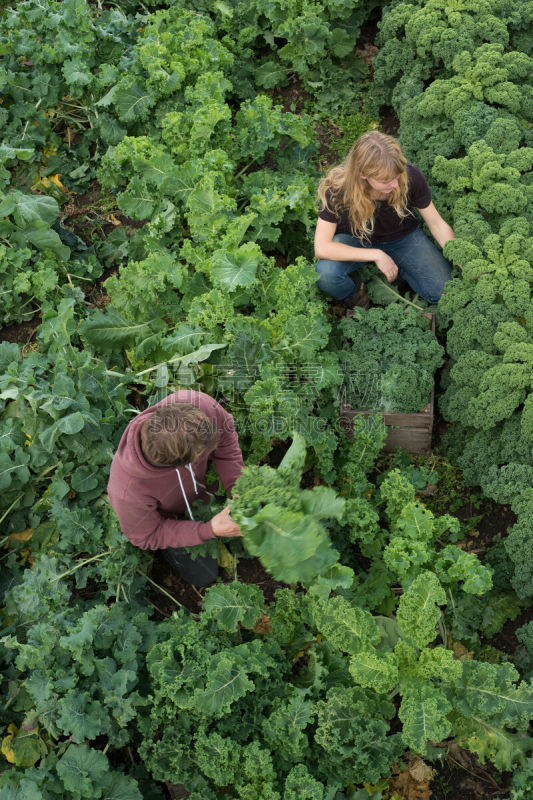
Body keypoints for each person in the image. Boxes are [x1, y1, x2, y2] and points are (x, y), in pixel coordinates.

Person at [107, 389, 244, 587]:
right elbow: (148, 535)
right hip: (175, 521)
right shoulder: (128, 492)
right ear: (179, 465)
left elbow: (226, 438)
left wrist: (236, 485)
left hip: (208, 492)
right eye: (204, 453)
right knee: (204, 577)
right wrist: (208, 530)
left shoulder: (197, 404)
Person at [314, 130, 454, 308]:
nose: (395, 184)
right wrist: (376, 255)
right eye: (386, 181)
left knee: (444, 293)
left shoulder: (410, 176)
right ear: (363, 175)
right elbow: (322, 247)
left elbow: (437, 223)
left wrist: (463, 258)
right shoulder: (338, 189)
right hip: (356, 240)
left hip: (404, 238)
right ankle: (355, 294)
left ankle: (403, 271)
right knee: (326, 275)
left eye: (396, 177)